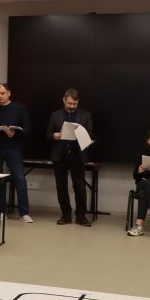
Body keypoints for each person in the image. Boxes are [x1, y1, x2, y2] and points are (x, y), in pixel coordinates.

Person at [0, 83, 33, 223]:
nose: (0, 96)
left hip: (13, 148)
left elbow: (27, 129)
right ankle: (1, 211)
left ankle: (24, 213)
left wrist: (15, 133)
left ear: (9, 93)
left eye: (2, 93)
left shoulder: (19, 109)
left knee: (19, 179)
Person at [47, 88, 94, 226]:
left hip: (77, 155)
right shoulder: (55, 115)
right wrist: (54, 136)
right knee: (61, 187)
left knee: (80, 188)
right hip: (60, 155)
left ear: (78, 102)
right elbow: (48, 135)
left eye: (75, 104)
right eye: (69, 103)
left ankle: (81, 216)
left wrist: (82, 134)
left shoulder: (86, 115)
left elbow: (91, 134)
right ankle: (66, 215)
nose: (72, 106)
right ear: (64, 100)